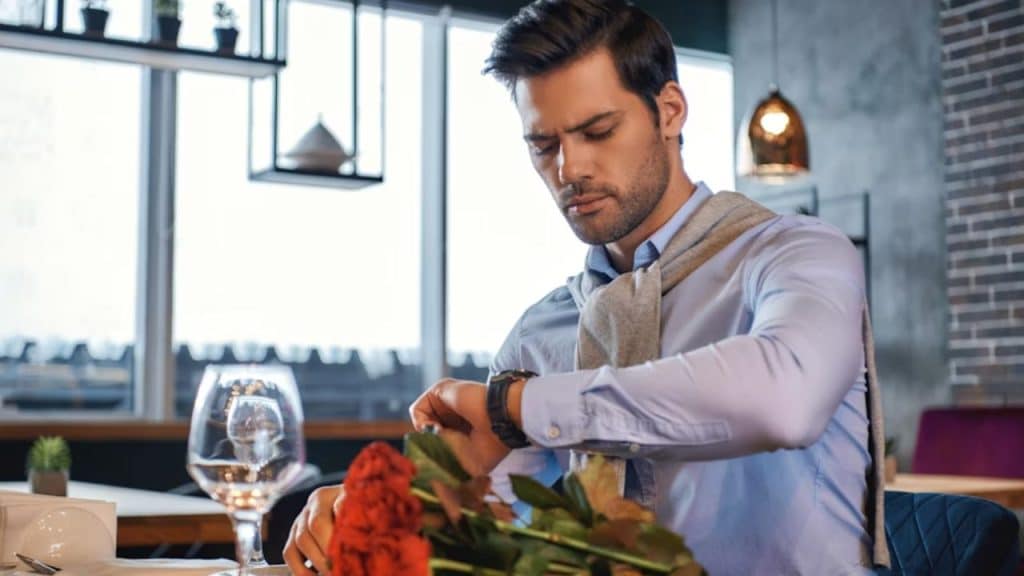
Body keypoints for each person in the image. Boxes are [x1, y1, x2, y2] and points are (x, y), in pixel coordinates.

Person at [284, 1, 888, 574]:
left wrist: (517, 407)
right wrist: (369, 509)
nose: (569, 170)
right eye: (543, 145)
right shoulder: (543, 330)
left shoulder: (795, 253)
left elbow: (784, 399)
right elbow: (474, 515)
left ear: (670, 111)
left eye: (597, 131)